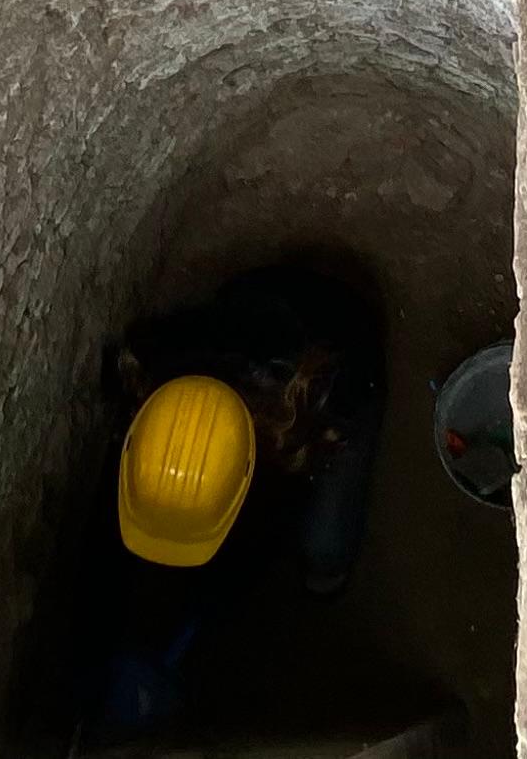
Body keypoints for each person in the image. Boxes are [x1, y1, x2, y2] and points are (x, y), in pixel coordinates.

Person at [87, 265, 388, 736]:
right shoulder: (157, 374)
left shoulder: (316, 404)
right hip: (252, 303)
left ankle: (326, 582)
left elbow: (274, 515)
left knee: (324, 548)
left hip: (342, 338)